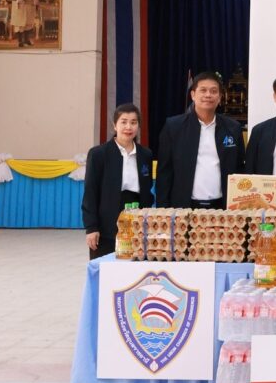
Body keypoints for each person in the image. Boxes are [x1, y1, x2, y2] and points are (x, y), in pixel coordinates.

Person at [157, 71, 244, 209]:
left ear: (220, 97)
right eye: (203, 90)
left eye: (213, 91)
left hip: (223, 208)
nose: (208, 95)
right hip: (184, 208)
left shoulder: (233, 128)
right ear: (193, 95)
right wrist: (163, 209)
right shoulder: (173, 127)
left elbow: (239, 169)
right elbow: (164, 172)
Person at [82, 104, 153, 259]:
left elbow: (147, 190)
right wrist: (91, 227)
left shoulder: (145, 154)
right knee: (106, 268)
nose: (128, 127)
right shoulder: (99, 154)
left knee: (134, 269)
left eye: (133, 122)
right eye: (124, 122)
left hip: (137, 224)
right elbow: (90, 192)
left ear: (138, 126)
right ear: (115, 125)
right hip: (107, 224)